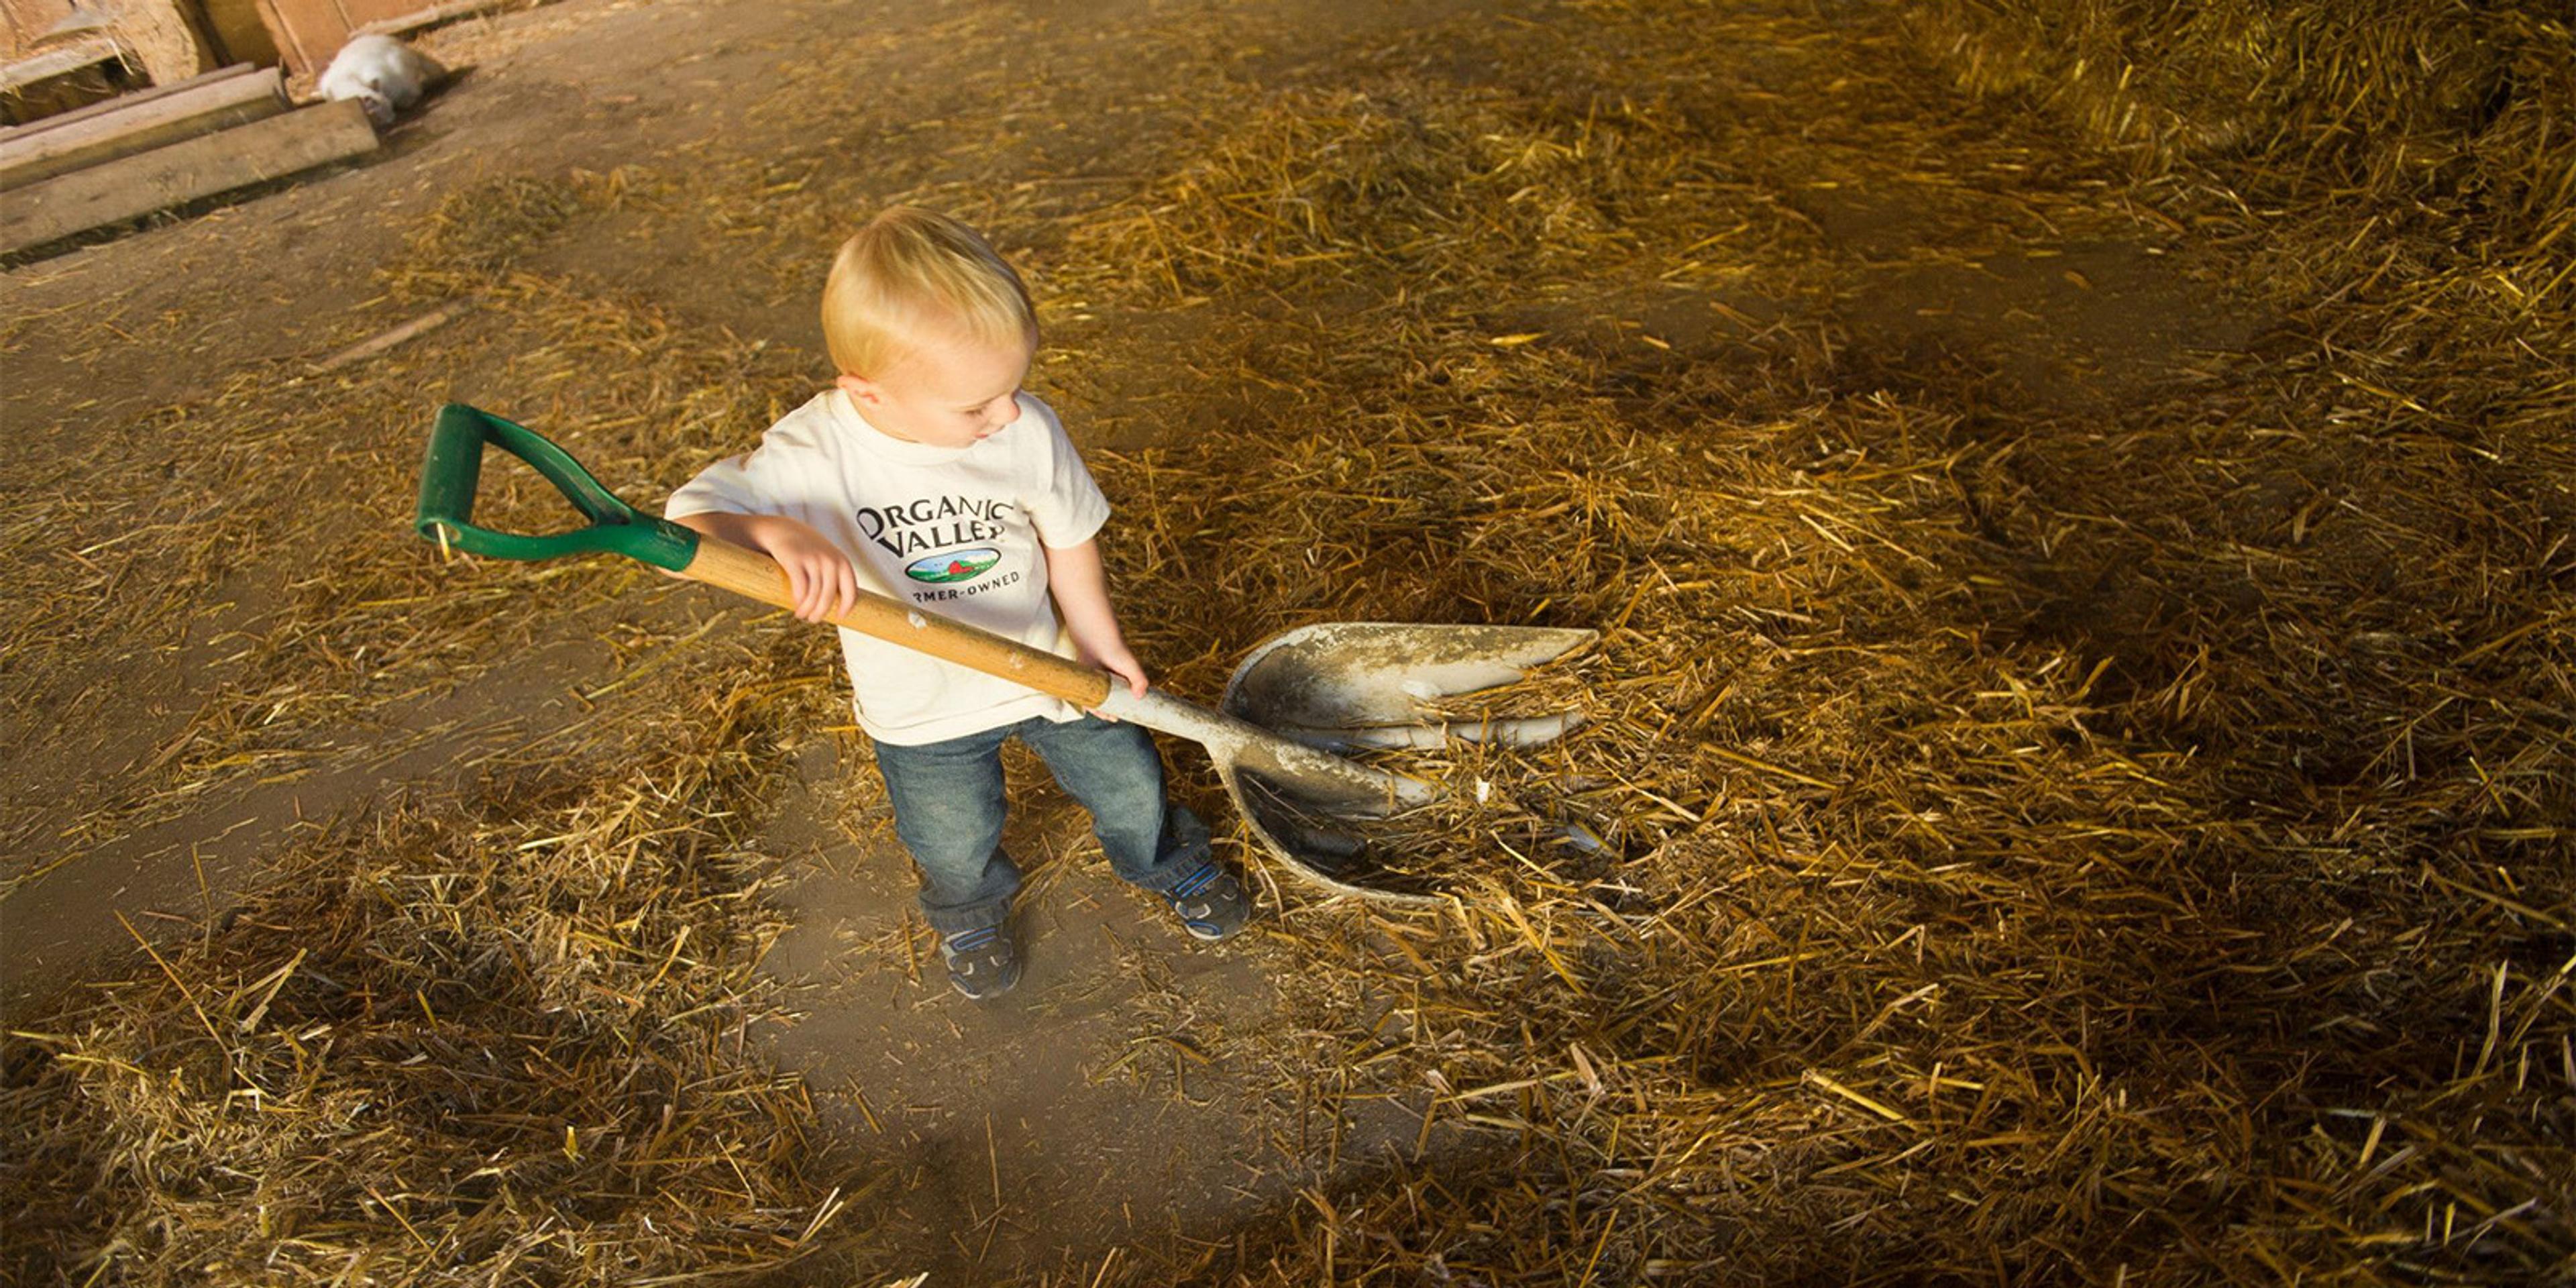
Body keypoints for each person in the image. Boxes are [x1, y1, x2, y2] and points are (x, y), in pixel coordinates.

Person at [663, 207, 1250, 1000]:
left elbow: (1068, 538)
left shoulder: (1023, 431)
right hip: (920, 704)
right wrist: (770, 529)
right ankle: (968, 909)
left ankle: (1166, 861)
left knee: (1128, 782)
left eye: (1013, 389)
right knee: (948, 833)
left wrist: (1096, 638)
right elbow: (684, 527)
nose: (1006, 415)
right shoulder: (811, 455)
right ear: (867, 394)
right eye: (977, 407)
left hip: (1051, 670)